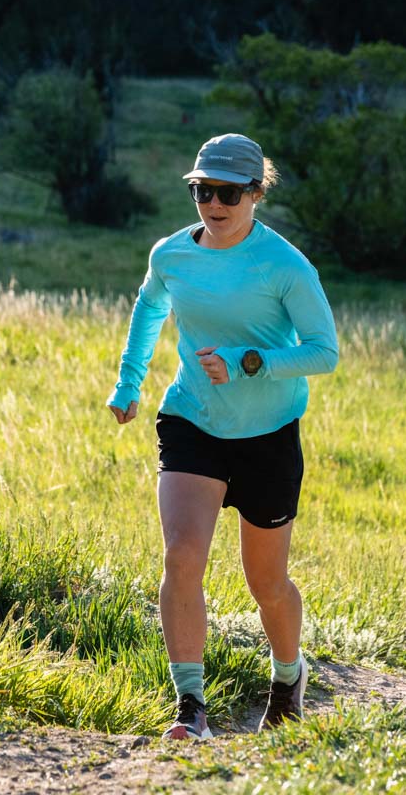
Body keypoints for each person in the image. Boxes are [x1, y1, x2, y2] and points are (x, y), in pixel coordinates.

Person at [106, 133, 339, 740]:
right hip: (192, 418)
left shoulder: (285, 266)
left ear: (256, 193)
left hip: (268, 433)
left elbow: (324, 352)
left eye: (228, 192)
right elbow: (150, 306)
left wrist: (249, 362)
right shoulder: (172, 255)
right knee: (182, 557)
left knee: (266, 582)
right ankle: (190, 709)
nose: (213, 202)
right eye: (201, 190)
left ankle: (288, 678)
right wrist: (130, 384)